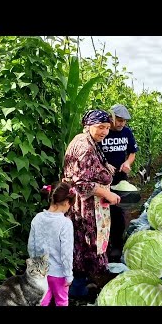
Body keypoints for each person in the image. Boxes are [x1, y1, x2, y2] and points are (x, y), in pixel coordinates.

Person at [63, 109, 121, 296]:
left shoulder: (86, 140)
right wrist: (106, 192)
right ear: (88, 126)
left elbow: (88, 168)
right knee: (85, 243)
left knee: (83, 243)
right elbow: (81, 183)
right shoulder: (85, 147)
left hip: (88, 204)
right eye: (100, 127)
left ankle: (81, 281)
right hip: (85, 206)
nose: (104, 132)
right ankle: (77, 288)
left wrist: (105, 167)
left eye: (107, 128)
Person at [27, 181, 76, 306]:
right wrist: (68, 275)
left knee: (42, 301)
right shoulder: (65, 224)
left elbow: (31, 247)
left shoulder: (37, 218)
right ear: (66, 202)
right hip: (59, 274)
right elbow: (66, 253)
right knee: (61, 301)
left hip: (41, 272)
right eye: (70, 204)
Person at [101, 104, 139, 261]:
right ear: (111, 117)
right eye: (119, 120)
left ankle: (116, 246)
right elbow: (94, 152)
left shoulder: (126, 132)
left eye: (124, 121)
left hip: (120, 178)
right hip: (102, 179)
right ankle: (102, 246)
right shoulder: (103, 131)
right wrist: (104, 165)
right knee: (102, 212)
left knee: (118, 210)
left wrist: (128, 163)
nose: (122, 124)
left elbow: (132, 152)